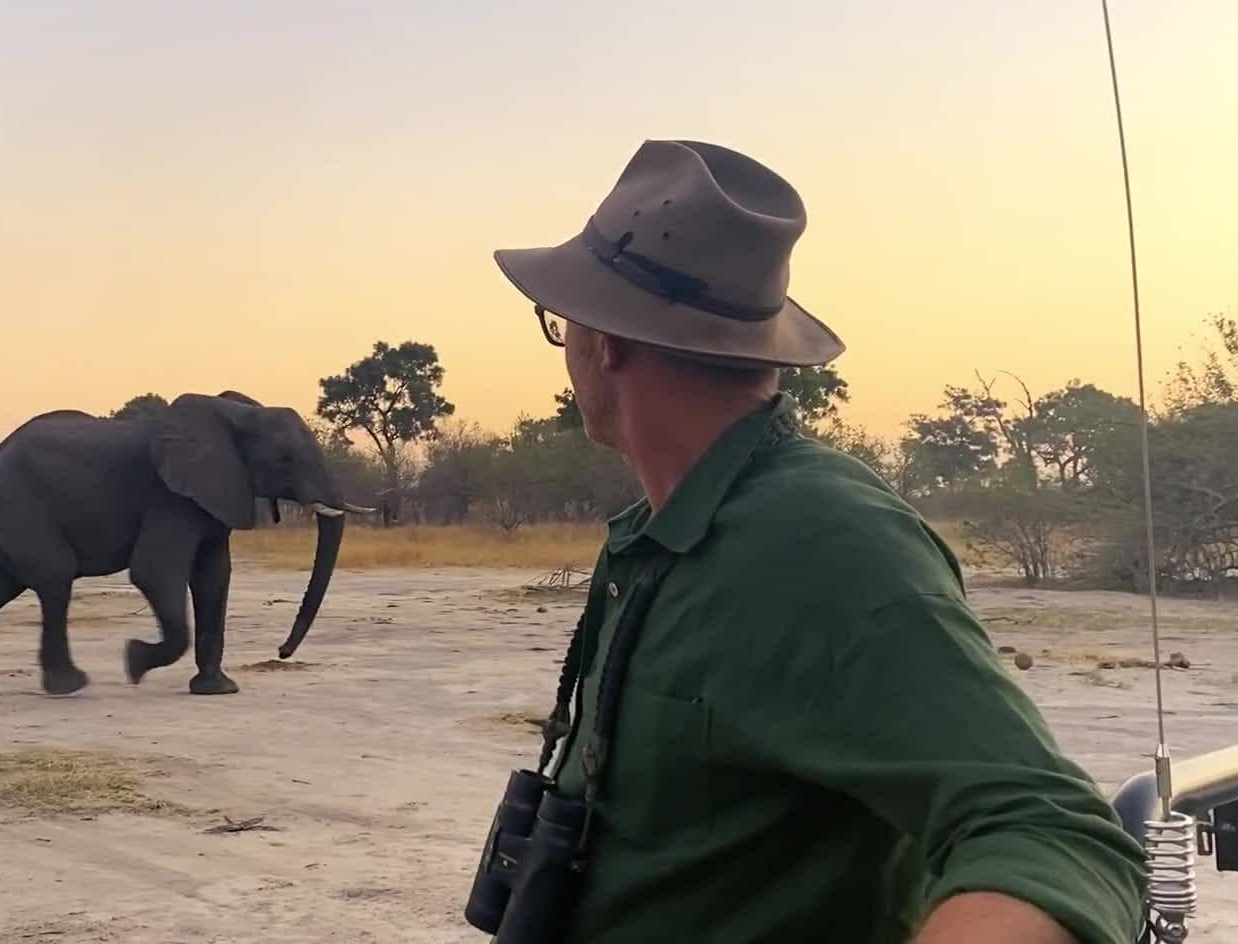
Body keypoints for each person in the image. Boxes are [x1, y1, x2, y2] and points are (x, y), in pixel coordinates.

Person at [487, 139, 1148, 943]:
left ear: (608, 338)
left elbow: (1052, 831)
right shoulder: (662, 533)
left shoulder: (826, 545)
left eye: (563, 323)